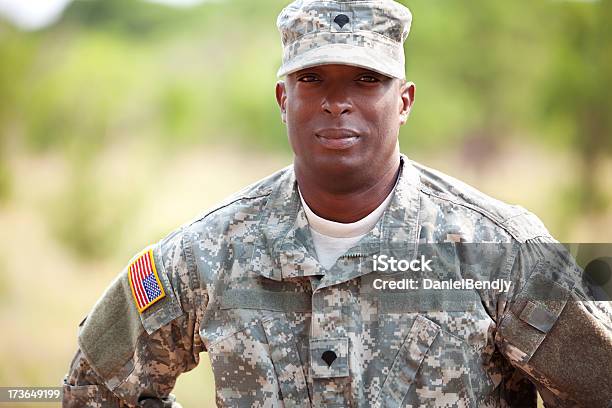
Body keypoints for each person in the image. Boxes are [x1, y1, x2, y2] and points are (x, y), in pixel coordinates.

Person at [62, 0, 612, 407]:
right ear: (284, 99)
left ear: (404, 101)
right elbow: (93, 386)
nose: (337, 102)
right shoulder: (206, 253)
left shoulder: (503, 251)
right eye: (312, 78)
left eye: (367, 80)